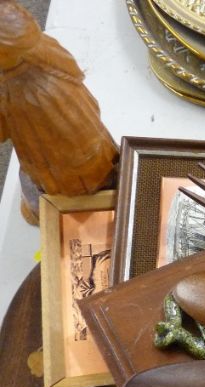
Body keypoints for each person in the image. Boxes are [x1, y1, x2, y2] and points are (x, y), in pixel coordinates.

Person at [0, 0, 117, 221]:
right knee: (56, 160)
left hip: (44, 109)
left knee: (77, 157)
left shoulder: (30, 64)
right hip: (39, 113)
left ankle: (92, 193)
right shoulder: (43, 52)